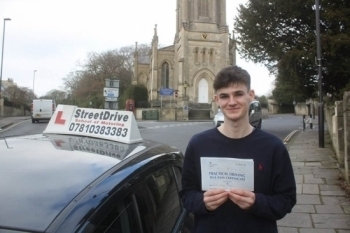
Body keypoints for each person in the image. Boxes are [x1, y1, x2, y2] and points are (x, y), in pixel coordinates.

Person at [180, 66, 296, 233]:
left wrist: (257, 202)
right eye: (224, 96)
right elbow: (186, 194)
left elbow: (287, 200)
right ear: (216, 100)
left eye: (238, 94)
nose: (232, 102)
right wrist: (202, 202)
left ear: (251, 95)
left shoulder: (273, 147)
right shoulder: (198, 144)